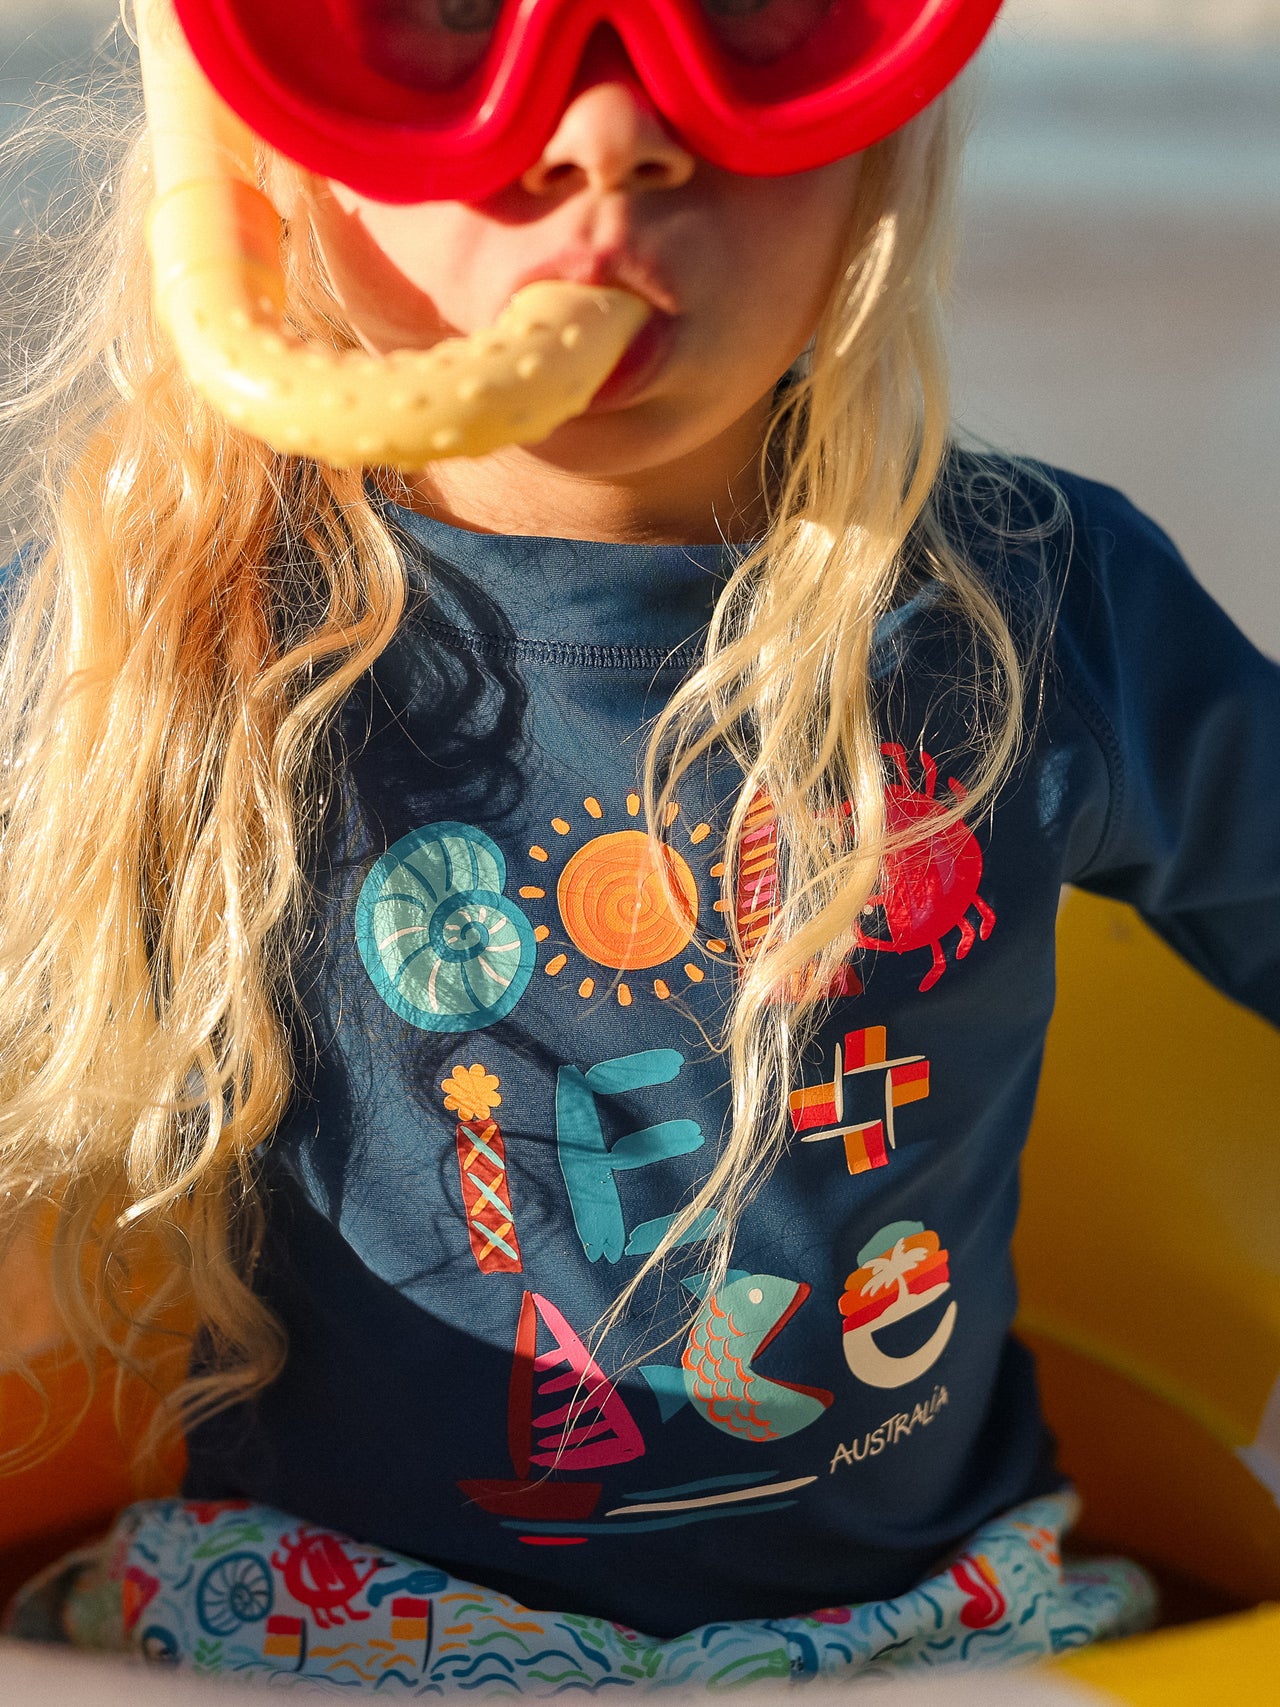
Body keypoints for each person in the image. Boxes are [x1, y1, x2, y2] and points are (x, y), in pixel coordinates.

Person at [0, 0, 1276, 1693]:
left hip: (929, 1626)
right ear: (264, 133)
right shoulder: (161, 627)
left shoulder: (1042, 610)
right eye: (452, 14)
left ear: (881, 124)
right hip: (329, 1621)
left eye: (745, 13)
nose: (608, 132)